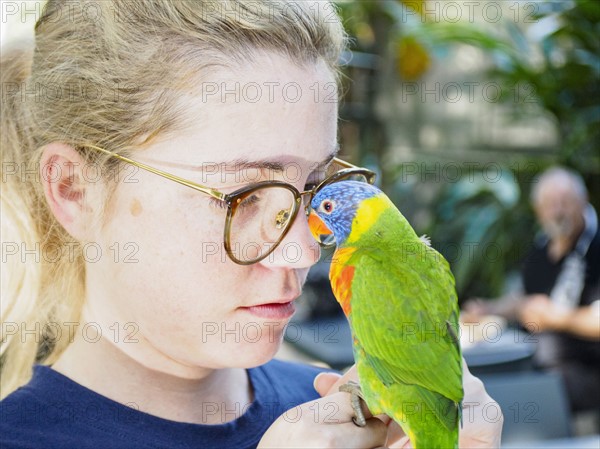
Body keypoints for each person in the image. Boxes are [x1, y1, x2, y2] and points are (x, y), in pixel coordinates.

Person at [1, 1, 502, 447]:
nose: (303, 250)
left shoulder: (342, 415)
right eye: (242, 196)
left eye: (314, 186)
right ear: (75, 189)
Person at [464, 167, 600, 413]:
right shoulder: (542, 246)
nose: (558, 211)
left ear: (583, 201)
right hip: (538, 361)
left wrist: (558, 318)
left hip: (585, 371)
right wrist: (489, 308)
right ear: (538, 210)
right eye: (550, 204)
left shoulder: (595, 245)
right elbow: (524, 298)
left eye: (565, 202)